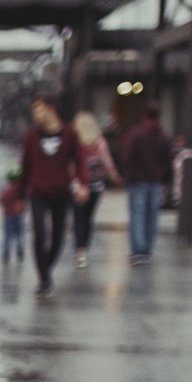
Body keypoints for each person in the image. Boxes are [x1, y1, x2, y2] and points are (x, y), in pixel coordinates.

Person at [20, 95, 89, 296]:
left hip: (61, 191)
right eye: (33, 110)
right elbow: (26, 166)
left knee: (58, 238)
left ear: (51, 109)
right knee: (40, 234)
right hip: (37, 192)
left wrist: (83, 184)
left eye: (39, 109)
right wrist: (18, 195)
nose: (35, 115)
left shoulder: (69, 134)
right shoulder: (31, 136)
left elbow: (80, 161)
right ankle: (44, 280)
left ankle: (45, 268)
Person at [70, 110, 123, 268]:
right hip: (96, 186)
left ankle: (79, 250)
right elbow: (107, 163)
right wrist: (116, 177)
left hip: (77, 186)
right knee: (88, 218)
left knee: (78, 218)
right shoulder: (100, 143)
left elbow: (70, 164)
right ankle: (84, 249)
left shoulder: (75, 142)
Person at [122, 101, 172, 264]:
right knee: (152, 216)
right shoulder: (164, 136)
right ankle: (148, 249)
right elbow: (168, 160)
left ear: (145, 116)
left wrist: (126, 174)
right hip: (156, 180)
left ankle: (138, 250)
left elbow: (128, 157)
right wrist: (166, 180)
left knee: (137, 215)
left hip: (137, 179)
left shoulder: (137, 134)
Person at [0, 166, 26, 265]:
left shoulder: (7, 191)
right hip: (18, 215)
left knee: (7, 236)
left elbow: (1, 199)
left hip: (8, 216)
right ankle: (20, 249)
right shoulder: (20, 191)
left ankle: (6, 254)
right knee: (19, 234)